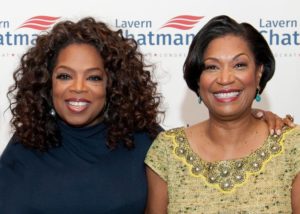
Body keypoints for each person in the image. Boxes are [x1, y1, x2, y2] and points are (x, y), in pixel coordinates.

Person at [0, 16, 293, 213]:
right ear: (46, 82)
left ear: (113, 83)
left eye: (94, 78)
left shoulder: (143, 142)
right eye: (64, 76)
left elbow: (222, 131)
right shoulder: (26, 145)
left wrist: (253, 115)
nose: (78, 89)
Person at [145, 15, 300, 213]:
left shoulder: (293, 147)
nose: (225, 79)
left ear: (259, 72)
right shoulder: (167, 151)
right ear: (198, 80)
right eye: (212, 67)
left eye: (239, 65)